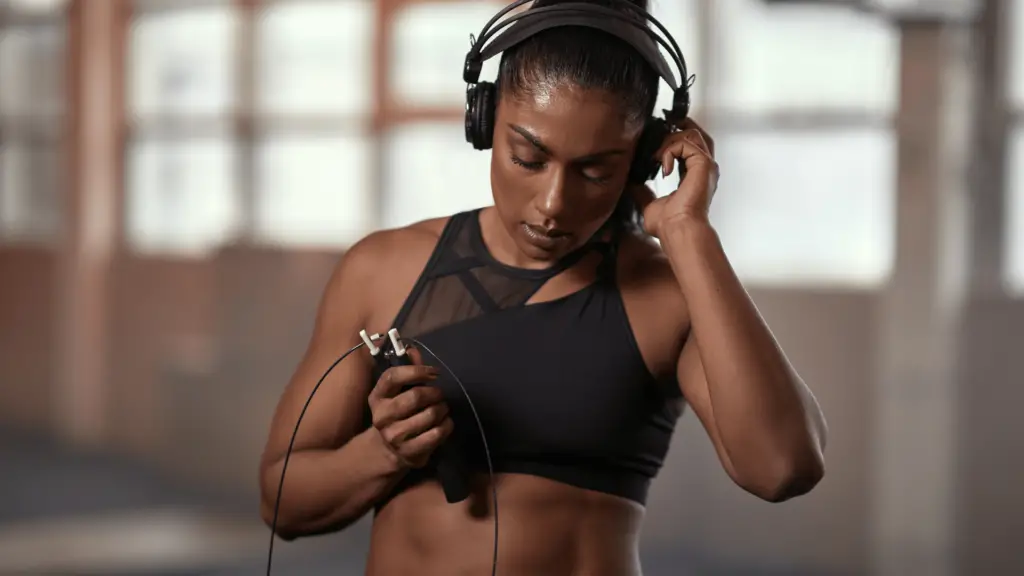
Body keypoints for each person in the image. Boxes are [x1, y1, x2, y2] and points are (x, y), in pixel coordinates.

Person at [258, 0, 828, 574]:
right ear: (482, 120)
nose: (554, 205)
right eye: (528, 157)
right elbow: (282, 500)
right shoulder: (382, 269)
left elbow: (782, 467)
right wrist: (383, 452)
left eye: (596, 171)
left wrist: (687, 232)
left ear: (642, 160)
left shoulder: (667, 294)